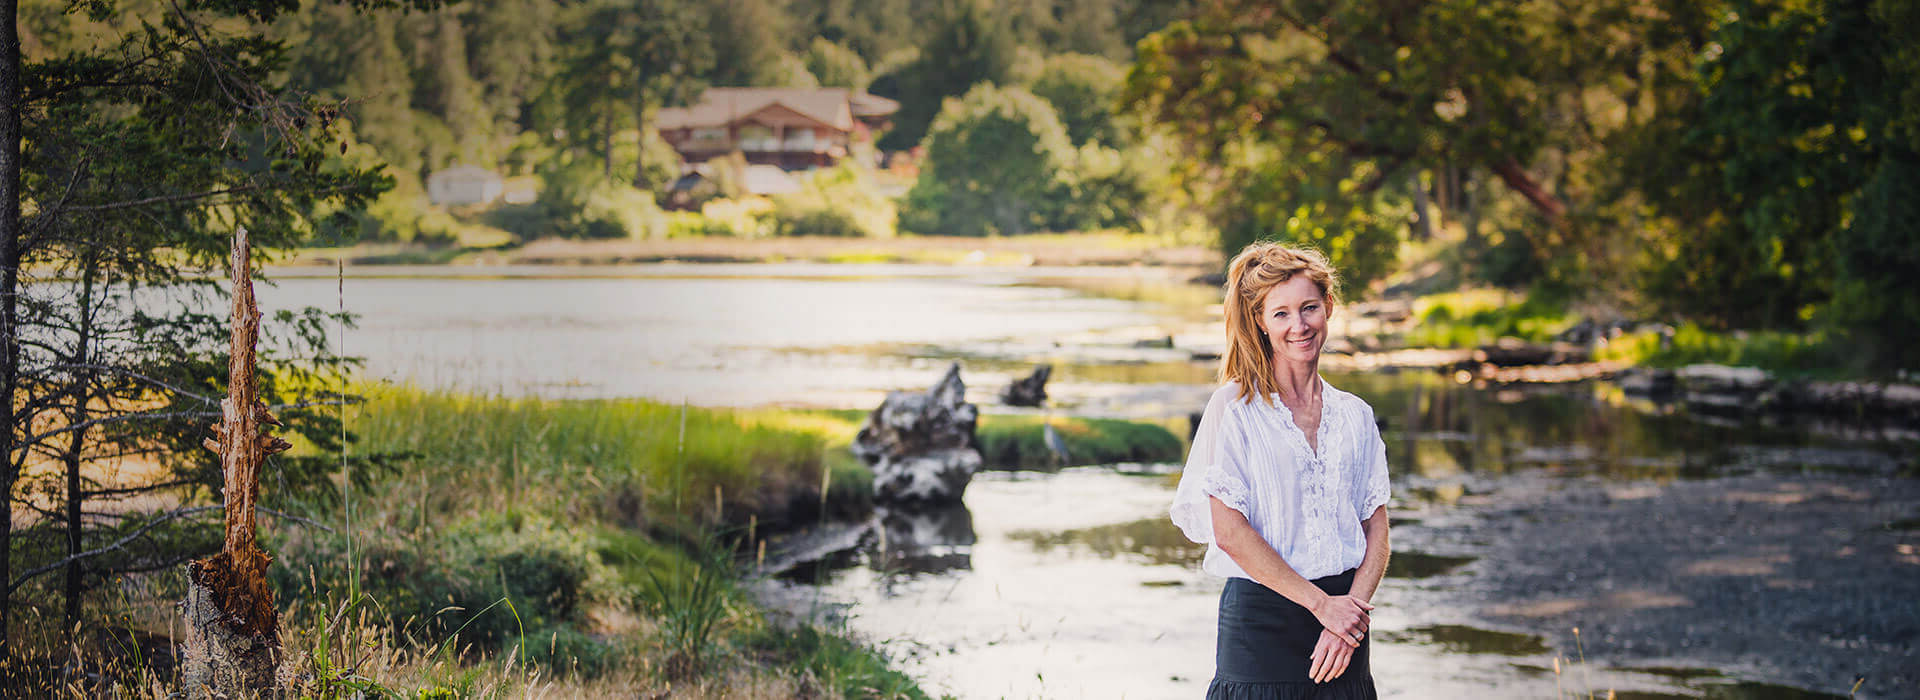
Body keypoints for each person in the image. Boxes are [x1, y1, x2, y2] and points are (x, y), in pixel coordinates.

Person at [1169, 242, 1392, 698]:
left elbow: (1378, 531)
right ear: (1261, 323)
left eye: (1309, 308)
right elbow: (1229, 532)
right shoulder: (1234, 409)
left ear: (1328, 307)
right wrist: (1321, 607)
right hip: (1261, 628)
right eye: (1281, 314)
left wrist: (1351, 613)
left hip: (1345, 630)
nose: (1299, 326)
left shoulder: (1356, 415)